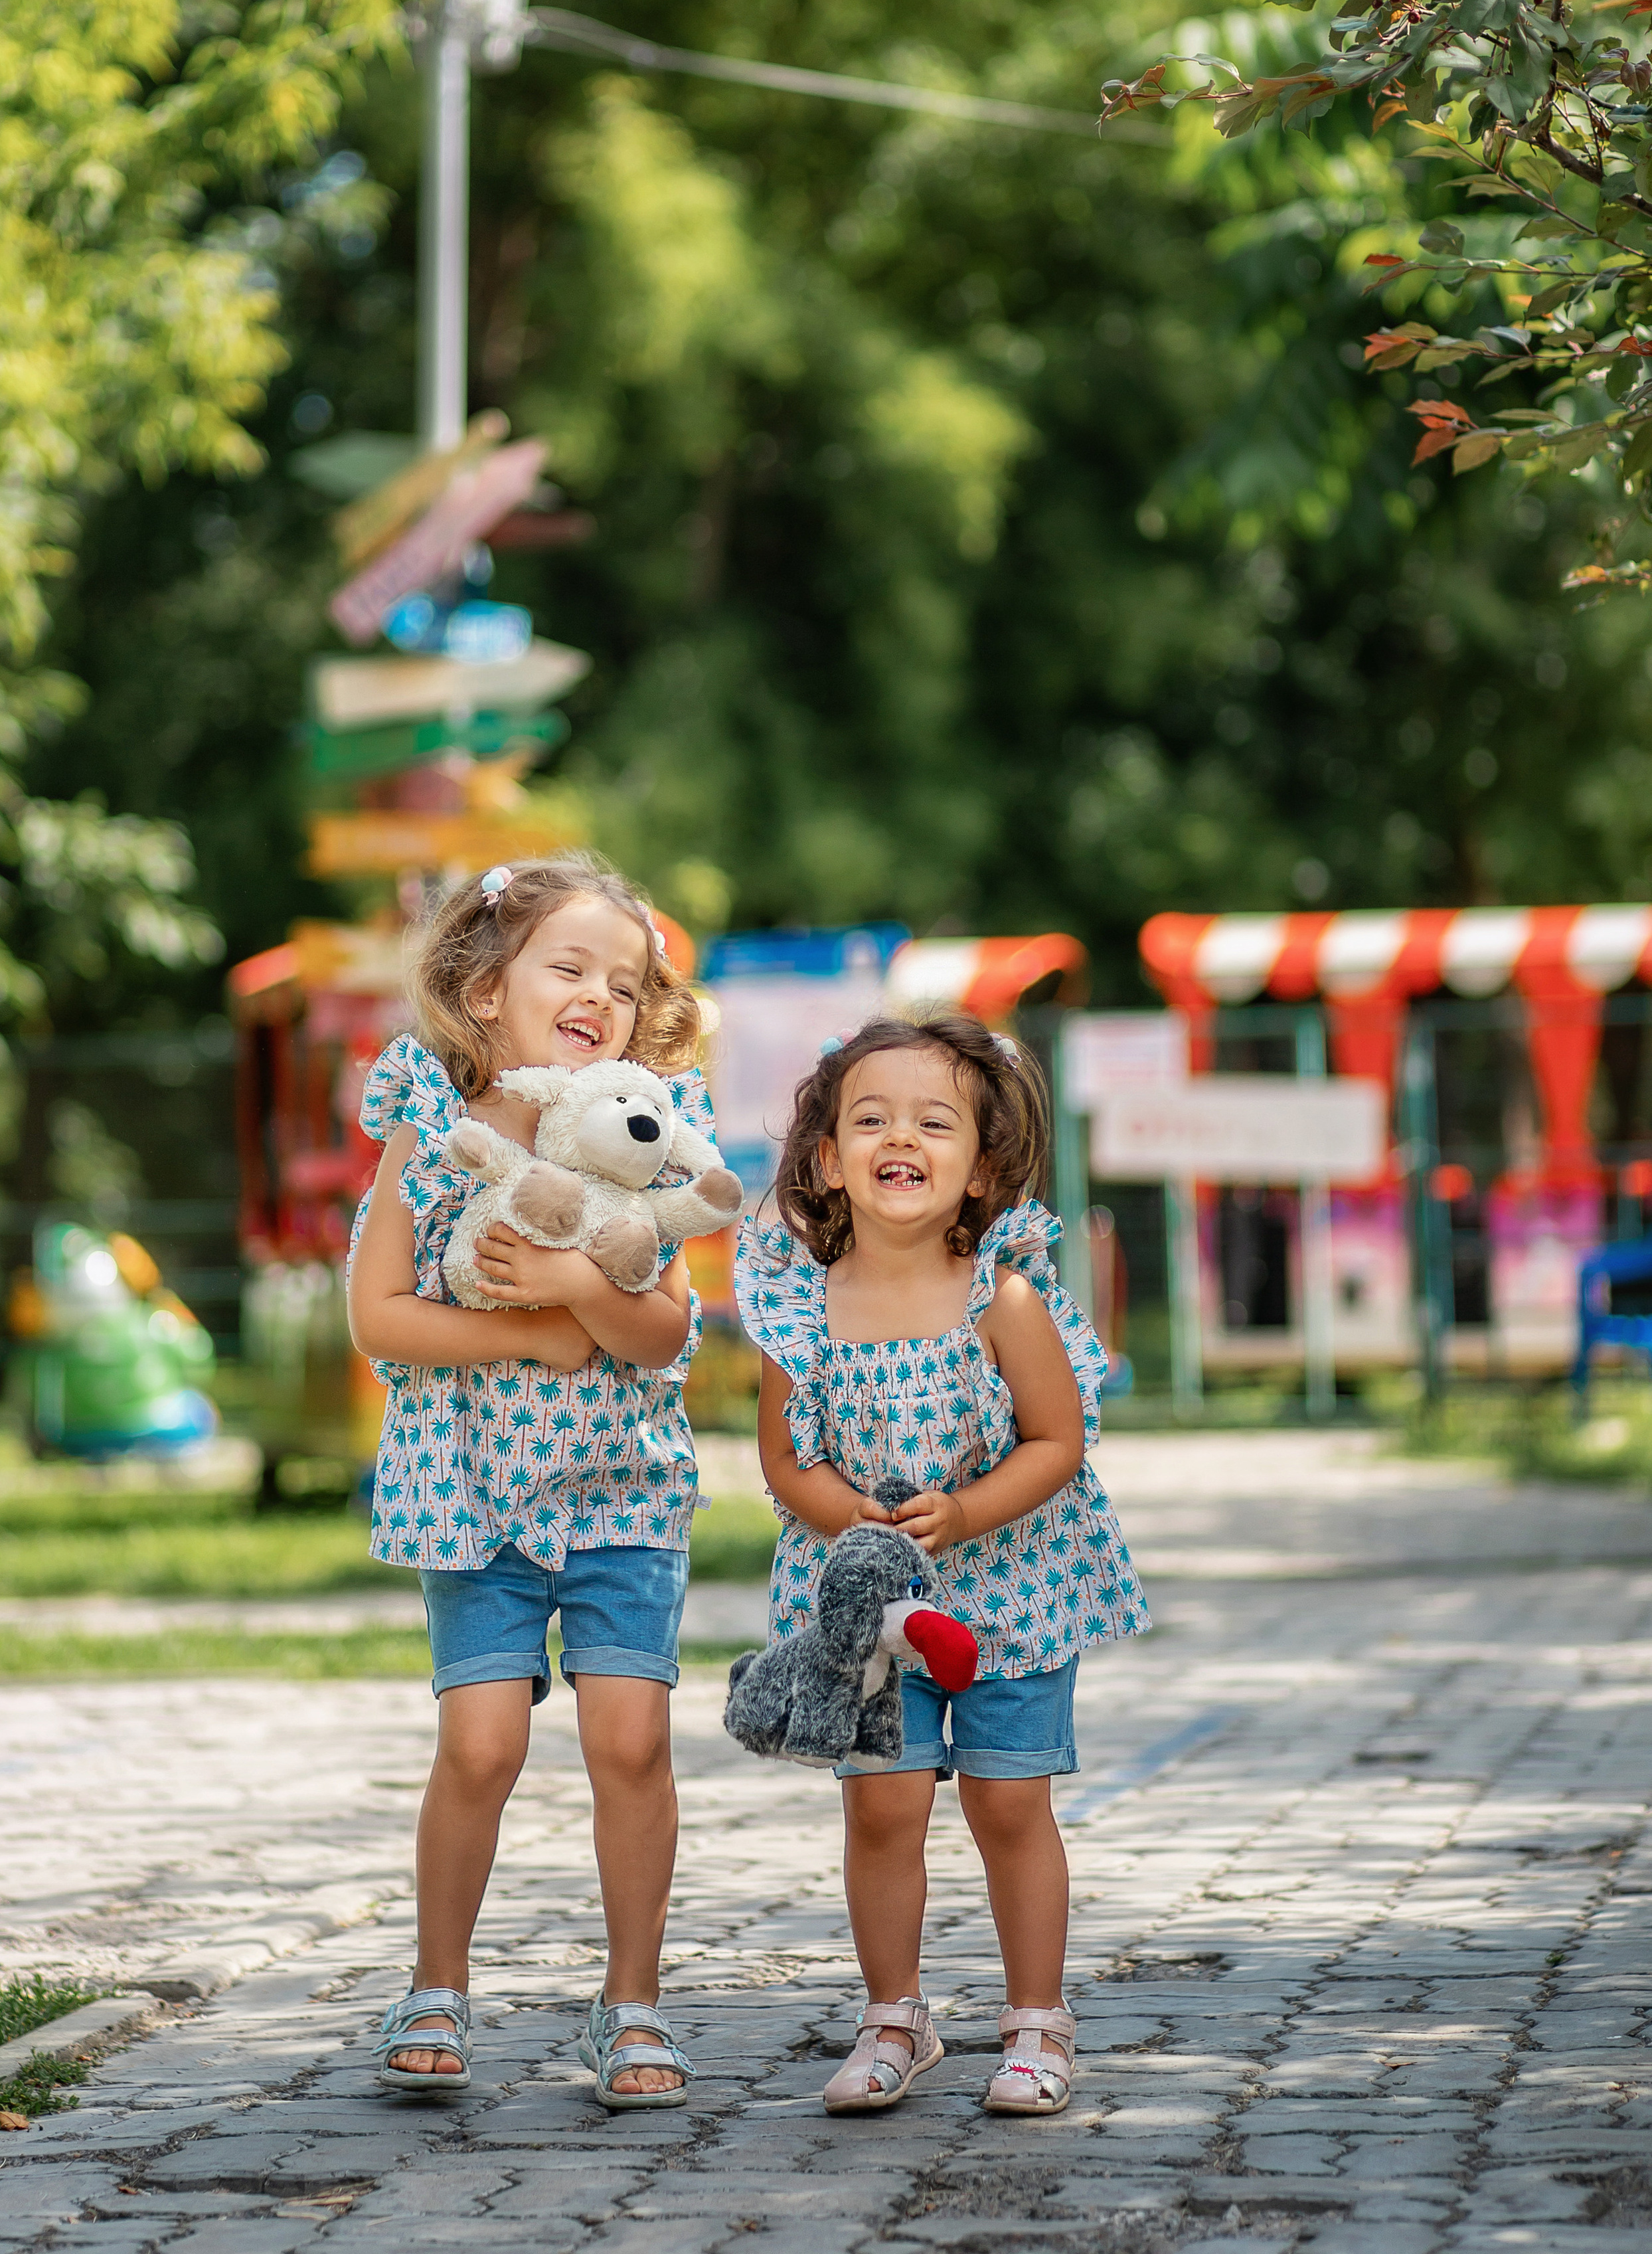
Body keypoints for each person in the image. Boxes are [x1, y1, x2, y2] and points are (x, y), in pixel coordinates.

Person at [734, 1013, 1149, 2117]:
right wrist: (852, 1521)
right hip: (871, 1607)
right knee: (883, 1808)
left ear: (980, 1169)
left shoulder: (1001, 1297)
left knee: (1011, 1805)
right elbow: (785, 1460)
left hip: (1012, 1586)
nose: (898, 1137)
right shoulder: (799, 1305)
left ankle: (1035, 2022)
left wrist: (963, 1514)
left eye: (933, 1121)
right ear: (828, 1160)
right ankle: (895, 2016)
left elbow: (1060, 1441)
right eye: (869, 1119)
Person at [347, 853, 708, 2107]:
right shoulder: (428, 1122)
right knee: (483, 1744)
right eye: (571, 966)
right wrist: (528, 1334)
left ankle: (634, 2005)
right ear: (484, 984)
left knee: (633, 1736)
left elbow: (665, 1333)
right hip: (473, 1491)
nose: (601, 997)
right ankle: (436, 1981)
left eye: (625, 980)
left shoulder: (641, 1126)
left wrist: (573, 1292)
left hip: (622, 1489)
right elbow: (381, 1316)